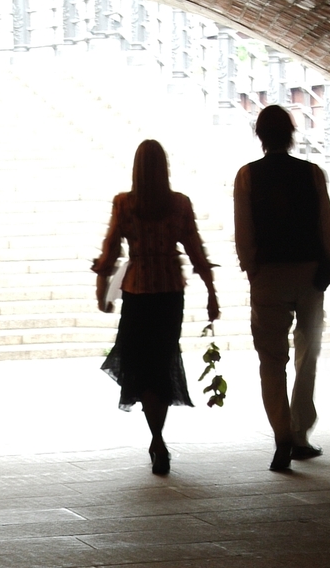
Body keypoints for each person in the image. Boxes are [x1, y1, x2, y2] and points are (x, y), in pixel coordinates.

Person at [234, 105, 330, 471]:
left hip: (268, 274)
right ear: (291, 134)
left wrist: (252, 267)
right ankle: (301, 433)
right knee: (307, 354)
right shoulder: (311, 174)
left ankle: (282, 435)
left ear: (260, 136)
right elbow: (326, 226)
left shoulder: (247, 176)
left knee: (271, 362)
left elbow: (244, 231)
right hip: (308, 275)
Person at [92, 139, 220, 476]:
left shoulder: (125, 204)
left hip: (136, 293)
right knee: (162, 362)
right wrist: (211, 293)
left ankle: (156, 437)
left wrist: (101, 291)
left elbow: (109, 252)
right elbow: (196, 251)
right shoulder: (178, 204)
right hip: (169, 295)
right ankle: (158, 437)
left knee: (140, 364)